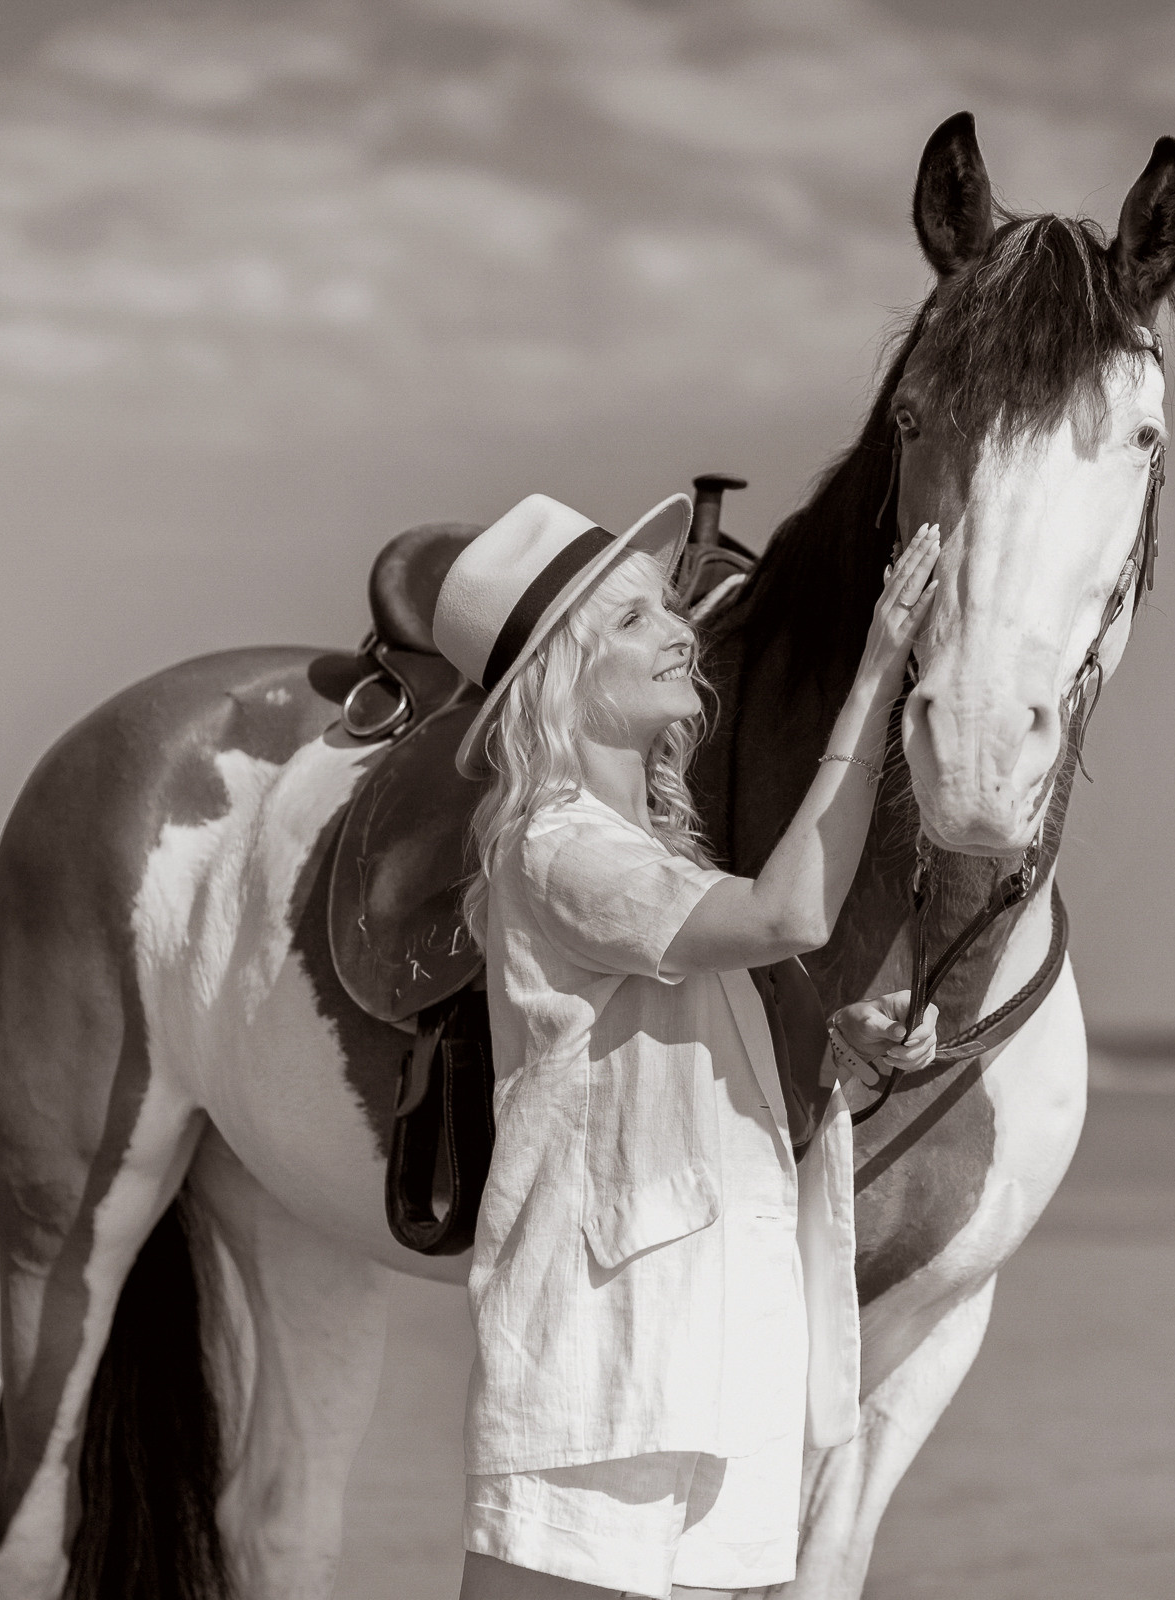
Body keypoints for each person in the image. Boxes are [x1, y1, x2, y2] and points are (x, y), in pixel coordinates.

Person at [427, 490, 944, 1600]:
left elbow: (696, 1082)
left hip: (716, 1368)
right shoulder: (558, 846)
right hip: (604, 1383)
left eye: (668, 607)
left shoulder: (650, 855)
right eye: (631, 622)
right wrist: (873, 677)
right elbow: (787, 917)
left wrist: (837, 1052)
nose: (679, 631)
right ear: (559, 687)